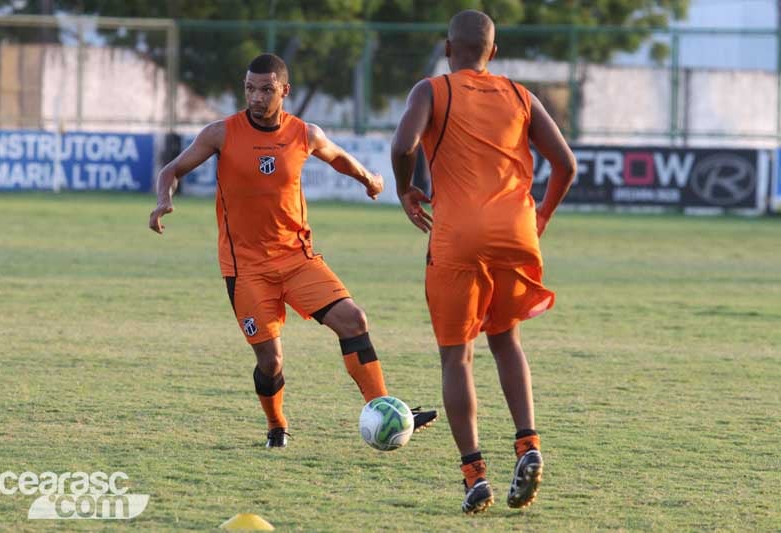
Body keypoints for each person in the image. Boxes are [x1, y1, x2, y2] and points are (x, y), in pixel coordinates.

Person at [150, 53, 437, 449]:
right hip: (246, 268)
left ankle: (383, 408)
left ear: (284, 91)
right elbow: (172, 170)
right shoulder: (222, 133)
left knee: (353, 320)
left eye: (266, 89)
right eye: (250, 88)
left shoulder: (305, 133)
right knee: (271, 363)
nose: (256, 97)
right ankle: (276, 425)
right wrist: (164, 199)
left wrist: (369, 178)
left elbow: (337, 157)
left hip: (297, 259)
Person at [391, 10, 576, 514]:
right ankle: (528, 445)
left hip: (458, 235)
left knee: (457, 356)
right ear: (492, 52)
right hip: (515, 231)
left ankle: (475, 475)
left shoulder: (431, 90)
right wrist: (539, 217)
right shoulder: (520, 95)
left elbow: (404, 145)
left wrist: (408, 190)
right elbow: (566, 165)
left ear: (448, 49)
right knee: (506, 339)